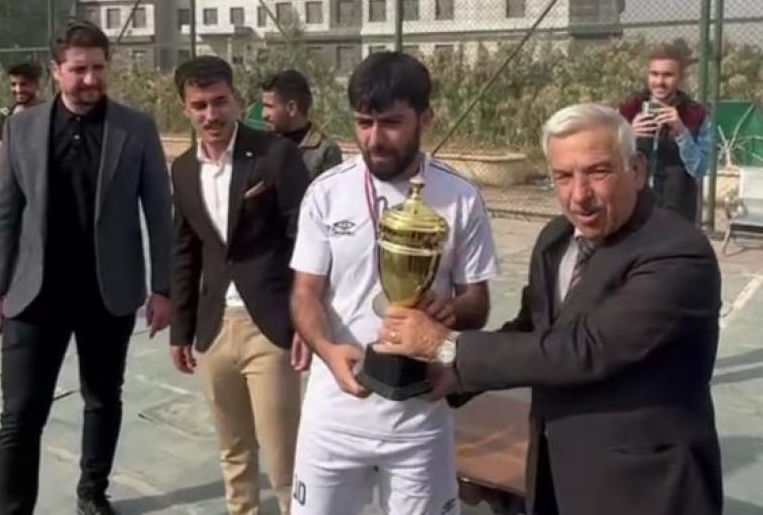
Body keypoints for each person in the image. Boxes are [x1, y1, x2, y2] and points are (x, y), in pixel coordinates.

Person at [373, 104, 723, 515]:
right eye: (563, 176)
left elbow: (586, 348)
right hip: (557, 475)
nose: (580, 195)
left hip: (647, 489)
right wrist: (455, 377)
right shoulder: (556, 238)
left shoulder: (677, 251)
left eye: (598, 172)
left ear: (637, 170)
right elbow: (533, 327)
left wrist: (448, 346)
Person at [288, 52, 498, 515]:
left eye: (391, 123)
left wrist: (449, 312)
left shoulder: (461, 198)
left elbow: (478, 302)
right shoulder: (326, 192)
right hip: (334, 415)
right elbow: (305, 292)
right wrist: (326, 349)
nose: (374, 138)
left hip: (419, 419)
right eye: (363, 123)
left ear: (426, 118)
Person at [0, 21, 173, 515]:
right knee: (20, 416)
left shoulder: (136, 129)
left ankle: (92, 493)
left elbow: (159, 212)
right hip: (34, 293)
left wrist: (163, 288)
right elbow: (4, 213)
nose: (90, 79)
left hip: (107, 293)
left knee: (103, 399)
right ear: (56, 70)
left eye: (98, 68)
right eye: (79, 69)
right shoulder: (22, 128)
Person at [170, 55, 310, 515]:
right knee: (233, 454)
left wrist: (304, 322)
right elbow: (185, 252)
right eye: (199, 105)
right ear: (185, 108)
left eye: (219, 102)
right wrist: (181, 330)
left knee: (284, 458)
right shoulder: (183, 169)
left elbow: (306, 239)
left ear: (235, 100)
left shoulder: (275, 155)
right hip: (213, 330)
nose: (211, 114)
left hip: (268, 328)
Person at [618, 39, 712, 222]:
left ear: (681, 78)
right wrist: (629, 135)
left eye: (668, 75)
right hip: (634, 208)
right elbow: (607, 160)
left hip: (678, 210)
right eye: (654, 74)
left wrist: (682, 132)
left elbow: (700, 169)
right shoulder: (629, 109)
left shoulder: (695, 114)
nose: (660, 82)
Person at [261, 69, 342, 181]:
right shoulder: (262, 144)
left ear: (292, 108)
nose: (264, 115)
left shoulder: (325, 151)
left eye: (269, 106)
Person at [0, 61, 43, 166]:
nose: (18, 89)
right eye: (13, 84)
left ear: (36, 85)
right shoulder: (5, 114)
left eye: (23, 84)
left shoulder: (48, 113)